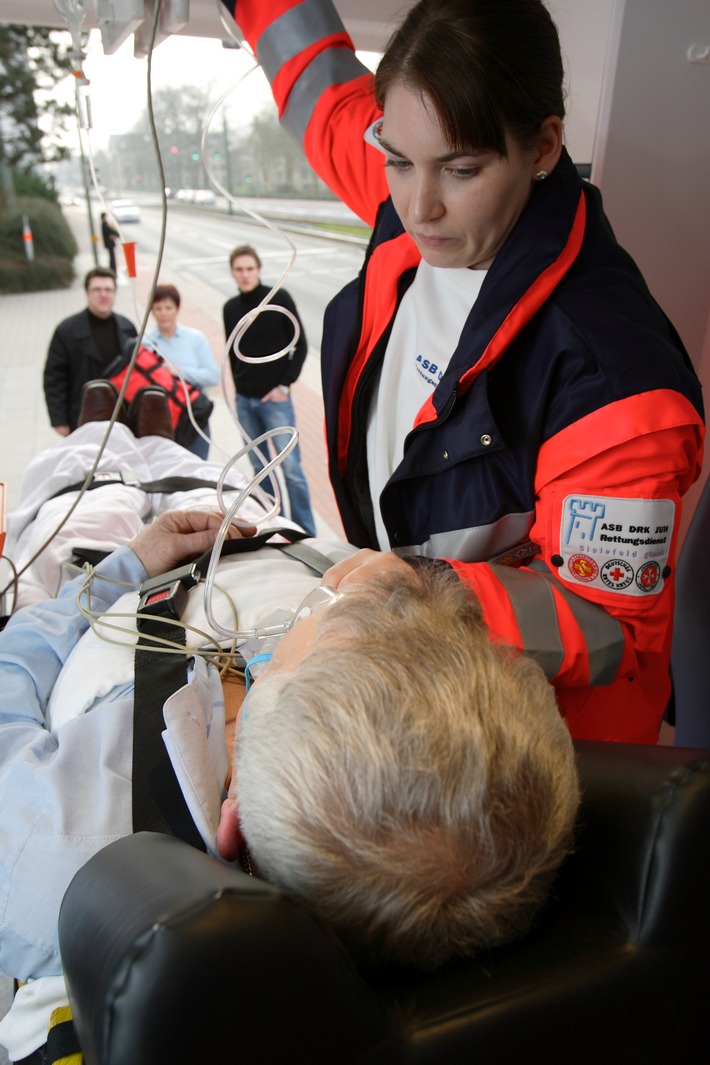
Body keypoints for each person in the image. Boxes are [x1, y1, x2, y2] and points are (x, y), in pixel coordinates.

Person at [0, 424, 579, 1061]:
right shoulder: (374, 772)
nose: (357, 592)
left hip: (103, 581)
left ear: (235, 820)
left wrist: (126, 567)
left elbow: (12, 667)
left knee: (91, 461)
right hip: (255, 526)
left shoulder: (53, 842)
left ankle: (106, 432)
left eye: (319, 621)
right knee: (180, 459)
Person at [219, 0, 705, 744]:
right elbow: (324, 97)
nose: (418, 207)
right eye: (396, 159)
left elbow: (608, 625)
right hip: (416, 667)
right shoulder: (426, 196)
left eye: (461, 169)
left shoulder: (613, 378)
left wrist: (414, 593)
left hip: (539, 747)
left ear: (543, 146)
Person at [223, 244, 317, 536]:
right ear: (233, 273)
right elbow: (232, 353)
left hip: (275, 400)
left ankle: (304, 532)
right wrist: (240, 390)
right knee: (260, 470)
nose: (245, 274)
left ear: (259, 270)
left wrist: (284, 385)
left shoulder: (279, 299)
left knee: (292, 471)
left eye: (250, 268)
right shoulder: (230, 308)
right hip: (245, 402)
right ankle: (277, 528)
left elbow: (301, 345)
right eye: (239, 269)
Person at [42, 267, 138, 435]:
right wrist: (59, 420)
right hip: (82, 415)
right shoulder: (67, 330)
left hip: (121, 417)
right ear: (87, 293)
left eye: (108, 290)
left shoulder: (127, 327)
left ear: (115, 293)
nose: (103, 295)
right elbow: (54, 378)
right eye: (97, 290)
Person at [146, 283, 220, 459]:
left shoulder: (195, 338)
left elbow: (212, 376)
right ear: (151, 311)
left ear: (177, 309)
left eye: (168, 308)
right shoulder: (145, 343)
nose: (164, 313)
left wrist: (179, 371)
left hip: (193, 415)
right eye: (158, 308)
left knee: (198, 468)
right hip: (161, 419)